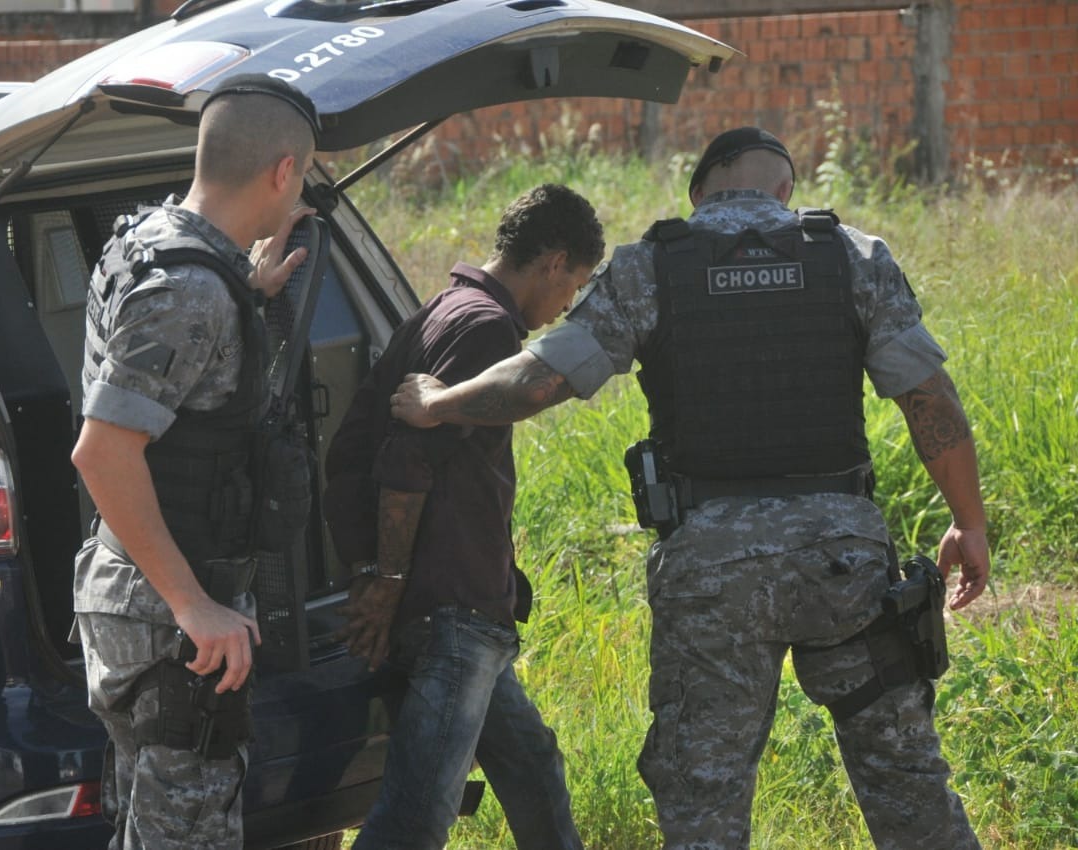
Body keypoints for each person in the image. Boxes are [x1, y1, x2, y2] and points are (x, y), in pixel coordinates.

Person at [390, 128, 990, 849]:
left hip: (712, 577)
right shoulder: (854, 257)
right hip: (846, 567)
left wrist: (440, 403)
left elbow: (539, 380)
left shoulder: (654, 266)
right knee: (908, 779)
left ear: (700, 192)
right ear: (784, 191)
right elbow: (932, 403)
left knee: (704, 797)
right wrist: (969, 523)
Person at [69, 74, 320, 850]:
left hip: (128, 599)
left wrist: (253, 288)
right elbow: (103, 451)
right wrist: (193, 605)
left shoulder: (152, 242)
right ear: (283, 172)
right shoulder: (190, 291)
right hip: (166, 618)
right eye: (303, 175)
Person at [331, 184, 605, 850]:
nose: (568, 302)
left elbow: (352, 450)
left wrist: (379, 574)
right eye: (576, 283)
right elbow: (404, 463)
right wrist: (387, 580)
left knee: (532, 765)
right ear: (553, 261)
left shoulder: (445, 307)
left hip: (466, 610)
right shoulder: (484, 326)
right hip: (452, 612)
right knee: (416, 816)